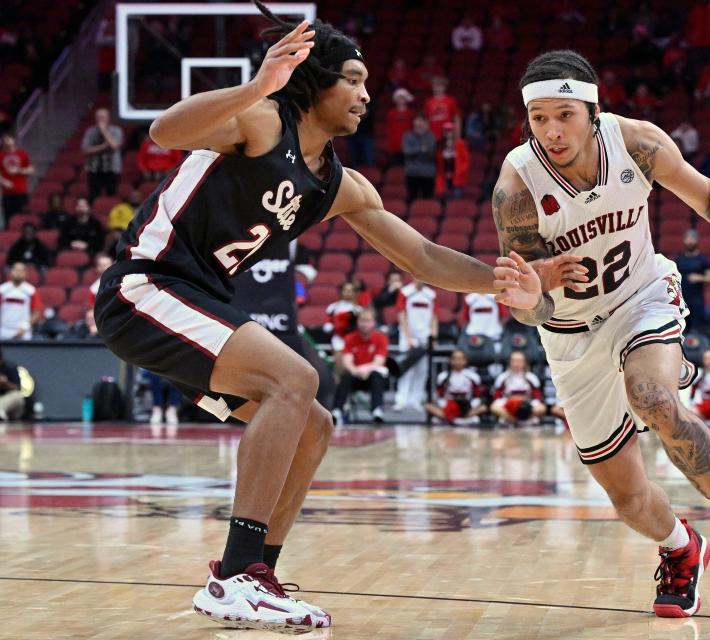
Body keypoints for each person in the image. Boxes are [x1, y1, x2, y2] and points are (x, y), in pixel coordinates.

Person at [93, 8, 579, 633]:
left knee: (313, 425)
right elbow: (164, 130)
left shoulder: (336, 184)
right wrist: (255, 86)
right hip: (144, 287)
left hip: (192, 302)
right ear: (315, 82)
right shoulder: (262, 120)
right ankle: (237, 573)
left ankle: (252, 576)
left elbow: (423, 257)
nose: (366, 94)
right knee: (296, 378)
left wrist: (504, 279)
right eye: (353, 78)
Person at [490, 50, 710, 617]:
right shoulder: (516, 187)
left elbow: (707, 197)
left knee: (652, 397)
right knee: (626, 497)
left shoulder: (637, 143)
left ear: (593, 111)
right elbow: (531, 305)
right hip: (569, 334)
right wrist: (531, 298)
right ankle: (681, 548)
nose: (551, 130)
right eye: (540, 117)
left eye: (564, 114)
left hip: (641, 298)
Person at [331, 309, 388, 425]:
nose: (364, 324)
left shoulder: (381, 338)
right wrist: (355, 370)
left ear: (373, 323)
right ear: (357, 322)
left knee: (377, 376)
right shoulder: (349, 338)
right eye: (362, 321)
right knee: (345, 376)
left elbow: (379, 361)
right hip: (355, 375)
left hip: (371, 374)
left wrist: (365, 369)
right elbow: (347, 360)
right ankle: (337, 410)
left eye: (368, 321)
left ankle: (377, 410)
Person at [394, 279, 437, 410]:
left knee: (422, 370)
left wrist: (433, 337)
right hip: (408, 336)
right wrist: (407, 337)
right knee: (405, 369)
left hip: (425, 336)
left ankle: (415, 400)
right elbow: (401, 314)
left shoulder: (431, 294)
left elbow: (434, 316)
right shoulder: (405, 292)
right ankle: (401, 400)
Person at [423, 348, 487, 425]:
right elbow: (439, 396)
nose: (458, 361)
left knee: (483, 408)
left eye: (460, 359)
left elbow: (477, 396)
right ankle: (452, 418)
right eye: (455, 359)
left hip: (466, 406)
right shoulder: (443, 376)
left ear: (465, 361)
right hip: (449, 405)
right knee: (428, 406)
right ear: (450, 361)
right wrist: (445, 406)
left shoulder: (473, 377)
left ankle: (461, 418)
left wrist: (471, 405)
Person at [490, 350, 546, 425]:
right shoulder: (502, 377)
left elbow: (537, 398)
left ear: (524, 363)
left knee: (542, 408)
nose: (516, 364)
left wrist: (526, 403)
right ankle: (511, 419)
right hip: (508, 405)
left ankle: (526, 419)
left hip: (527, 405)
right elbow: (496, 398)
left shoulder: (532, 378)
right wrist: (509, 402)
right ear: (510, 362)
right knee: (494, 407)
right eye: (514, 361)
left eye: (519, 361)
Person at [81, 107, 123, 199]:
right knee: (94, 195)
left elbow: (114, 146)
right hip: (94, 168)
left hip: (112, 168)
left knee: (111, 195)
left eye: (103, 117)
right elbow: (85, 150)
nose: (101, 119)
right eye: (99, 117)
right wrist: (103, 147)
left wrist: (103, 131)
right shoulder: (90, 131)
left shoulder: (116, 130)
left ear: (108, 118)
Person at [0, 262, 43, 340]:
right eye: (16, 270)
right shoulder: (2, 290)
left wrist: (25, 327)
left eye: (21, 271)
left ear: (26, 274)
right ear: (11, 272)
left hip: (22, 332)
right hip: (3, 330)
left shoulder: (31, 291)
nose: (18, 273)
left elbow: (37, 312)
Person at [403, 115, 436, 202]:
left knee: (428, 200)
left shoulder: (430, 136)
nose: (419, 123)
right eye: (418, 121)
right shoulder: (408, 136)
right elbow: (407, 151)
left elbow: (431, 152)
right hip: (412, 173)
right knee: (411, 200)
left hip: (428, 174)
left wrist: (419, 147)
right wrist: (420, 149)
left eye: (422, 121)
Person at [0, 132, 33, 218]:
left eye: (8, 138)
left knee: (21, 217)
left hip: (21, 192)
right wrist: (3, 181)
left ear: (13, 140)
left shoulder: (22, 154)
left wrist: (19, 170)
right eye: (5, 139)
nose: (7, 141)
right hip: (7, 193)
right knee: (8, 218)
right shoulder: (1, 155)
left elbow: (31, 170)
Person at [323, 281, 361, 357]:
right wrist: (331, 326)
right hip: (338, 338)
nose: (347, 293)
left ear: (354, 293)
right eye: (345, 290)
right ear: (341, 291)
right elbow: (327, 324)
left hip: (353, 338)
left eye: (350, 291)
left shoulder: (358, 309)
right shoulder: (333, 307)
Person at [436, 122, 469, 199]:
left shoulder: (460, 144)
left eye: (450, 130)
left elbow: (465, 162)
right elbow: (438, 162)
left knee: (456, 201)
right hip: (444, 178)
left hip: (457, 178)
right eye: (446, 131)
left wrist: (459, 172)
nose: (448, 133)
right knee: (444, 201)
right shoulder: (440, 145)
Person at [385, 88, 414, 166]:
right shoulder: (391, 113)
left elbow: (412, 129)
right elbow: (389, 129)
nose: (401, 100)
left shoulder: (411, 113)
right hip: (395, 145)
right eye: (399, 98)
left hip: (408, 145)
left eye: (403, 98)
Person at [0, 348, 24, 421]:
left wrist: (5, 383)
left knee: (17, 396)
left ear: (1, 359)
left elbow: (17, 388)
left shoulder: (10, 367)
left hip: (8, 402)